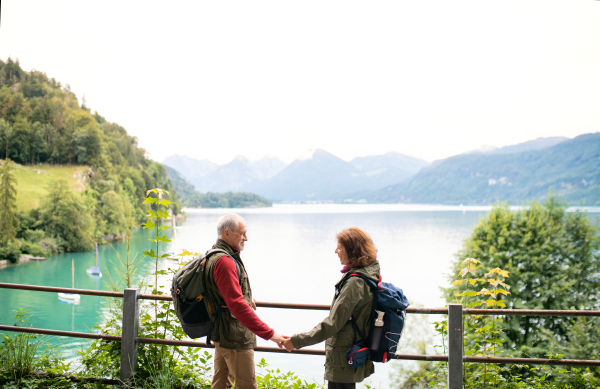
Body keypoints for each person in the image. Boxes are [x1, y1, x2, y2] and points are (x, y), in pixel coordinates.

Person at [283, 227, 380, 389]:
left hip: (344, 355)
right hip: (354, 348)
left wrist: (296, 341)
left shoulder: (355, 282)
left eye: (340, 247)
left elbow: (333, 323)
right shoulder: (368, 274)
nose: (336, 251)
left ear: (353, 251)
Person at [204, 213, 288, 389]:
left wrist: (247, 297)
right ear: (227, 233)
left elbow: (223, 292)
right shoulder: (225, 261)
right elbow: (237, 305)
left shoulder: (212, 255)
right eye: (242, 233)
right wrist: (270, 334)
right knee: (246, 385)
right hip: (234, 337)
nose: (246, 238)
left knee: (221, 383)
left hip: (221, 332)